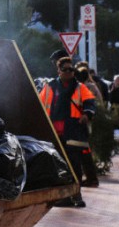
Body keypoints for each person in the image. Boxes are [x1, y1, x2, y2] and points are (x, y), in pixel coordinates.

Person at [39, 56, 96, 207]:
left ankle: (76, 195)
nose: (69, 73)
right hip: (54, 133)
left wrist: (87, 114)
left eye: (72, 70)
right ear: (58, 70)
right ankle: (63, 196)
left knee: (74, 165)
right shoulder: (50, 86)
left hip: (73, 131)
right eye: (65, 70)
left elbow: (90, 103)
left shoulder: (79, 87)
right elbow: (40, 105)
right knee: (59, 166)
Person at [73, 61, 102, 187]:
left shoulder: (82, 88)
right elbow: (100, 102)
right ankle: (90, 177)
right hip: (89, 121)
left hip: (84, 122)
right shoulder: (91, 86)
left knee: (83, 151)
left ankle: (89, 178)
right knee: (85, 150)